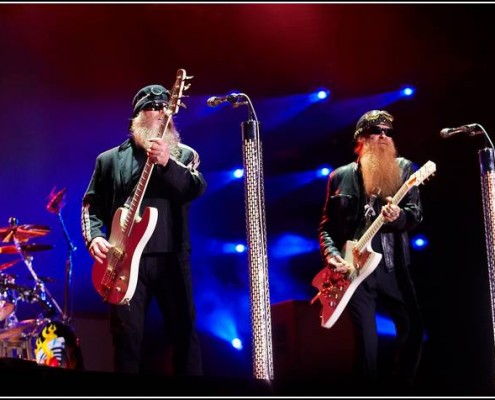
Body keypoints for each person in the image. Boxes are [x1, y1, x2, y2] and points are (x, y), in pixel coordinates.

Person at [81, 83, 207, 375]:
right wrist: (95, 239)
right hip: (123, 261)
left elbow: (195, 188)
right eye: (151, 109)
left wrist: (167, 163)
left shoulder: (184, 155)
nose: (159, 114)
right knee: (126, 343)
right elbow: (90, 206)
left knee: (184, 337)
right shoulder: (109, 160)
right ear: (137, 117)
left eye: (164, 108)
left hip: (171, 259)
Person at [318, 110, 424, 390]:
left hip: (391, 267)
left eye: (388, 133)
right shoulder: (339, 177)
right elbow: (326, 228)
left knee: (413, 330)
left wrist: (397, 216)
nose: (383, 137)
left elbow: (415, 215)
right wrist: (332, 256)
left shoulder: (404, 169)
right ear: (361, 138)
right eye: (377, 131)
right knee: (366, 343)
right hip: (354, 271)